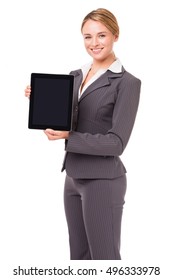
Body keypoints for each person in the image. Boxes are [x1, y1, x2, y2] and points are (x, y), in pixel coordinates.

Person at [25, 8, 141, 260]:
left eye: (101, 35)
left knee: (104, 260)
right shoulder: (75, 76)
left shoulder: (127, 83)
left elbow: (116, 143)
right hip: (73, 176)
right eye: (87, 37)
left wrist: (69, 137)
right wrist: (41, 100)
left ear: (115, 36)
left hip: (103, 181)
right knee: (78, 258)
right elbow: (73, 120)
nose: (94, 43)